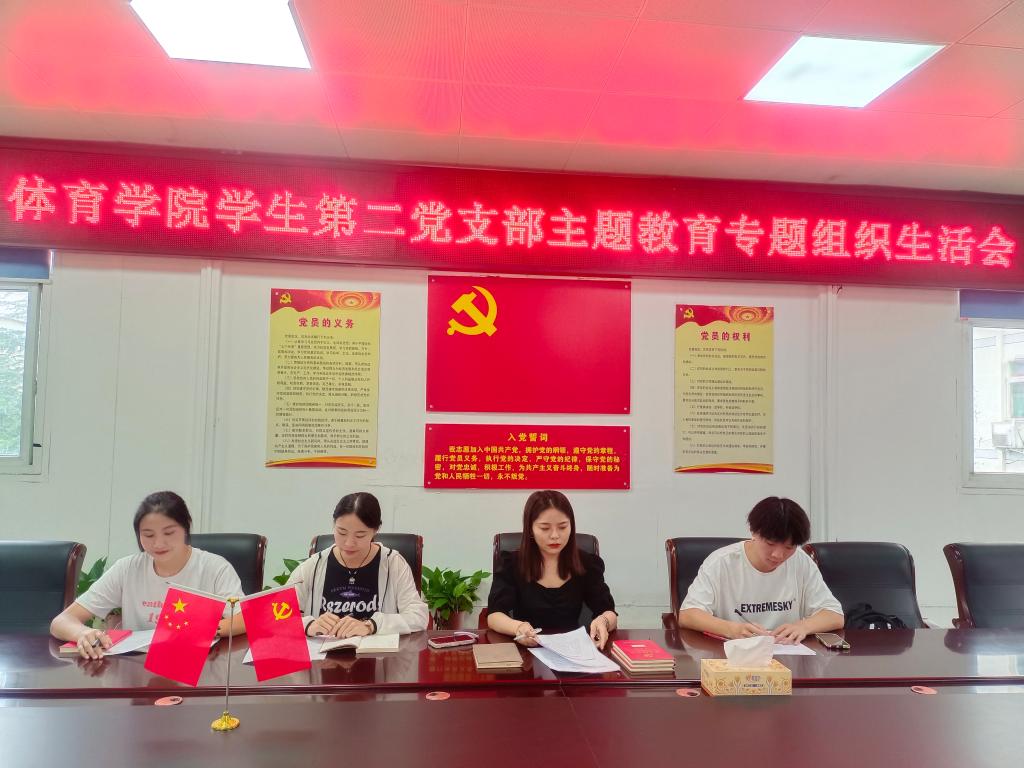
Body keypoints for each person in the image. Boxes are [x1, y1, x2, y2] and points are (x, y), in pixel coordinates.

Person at [50, 491, 244, 659]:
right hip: (138, 669)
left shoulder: (215, 568)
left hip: (196, 668)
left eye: (169, 533)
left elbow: (244, 619)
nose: (158, 544)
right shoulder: (127, 568)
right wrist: (83, 633)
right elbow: (61, 622)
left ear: (186, 529)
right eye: (149, 535)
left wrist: (205, 629)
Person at [678, 496, 843, 643]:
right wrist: (731, 629)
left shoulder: (800, 561)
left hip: (787, 655)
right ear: (753, 531)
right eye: (770, 543)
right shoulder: (721, 562)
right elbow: (688, 614)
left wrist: (803, 626)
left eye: (789, 547)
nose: (778, 555)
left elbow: (834, 615)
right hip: (734, 656)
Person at [487, 490, 618, 649]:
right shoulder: (512, 563)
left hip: (573, 651)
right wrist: (518, 627)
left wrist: (603, 621)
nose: (555, 535)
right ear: (530, 529)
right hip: (527, 651)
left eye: (562, 527)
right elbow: (494, 615)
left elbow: (608, 611)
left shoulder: (586, 563)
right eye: (545, 528)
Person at [288, 492, 427, 638]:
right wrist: (308, 626)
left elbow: (418, 616)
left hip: (375, 651)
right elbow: (276, 616)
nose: (349, 543)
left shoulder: (393, 564)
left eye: (360, 535)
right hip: (324, 651)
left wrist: (371, 625)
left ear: (376, 530)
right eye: (342, 532)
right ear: (334, 525)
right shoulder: (313, 566)